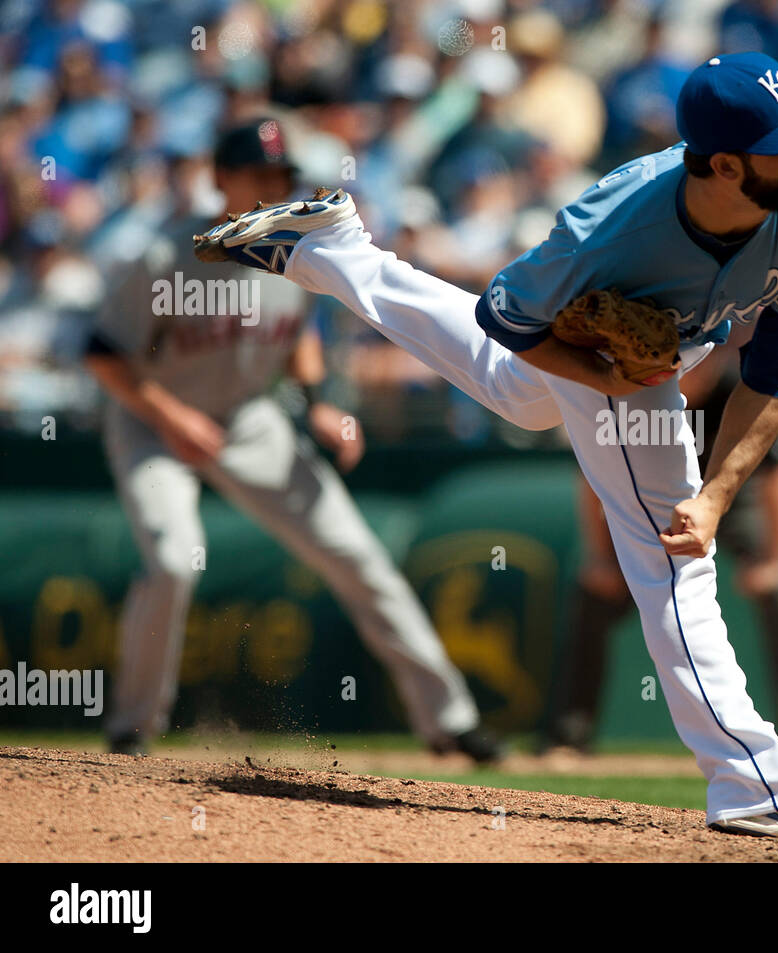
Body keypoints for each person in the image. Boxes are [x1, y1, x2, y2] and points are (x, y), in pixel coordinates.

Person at [195, 54, 778, 845]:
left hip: (673, 347)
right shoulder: (610, 226)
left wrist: (719, 495)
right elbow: (505, 319)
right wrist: (604, 375)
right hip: (612, 364)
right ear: (725, 163)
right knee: (669, 558)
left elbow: (777, 372)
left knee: (516, 397)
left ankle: (330, 250)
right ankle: (758, 779)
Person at [84, 118, 502, 764]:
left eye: (281, 176)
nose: (272, 185)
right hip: (153, 421)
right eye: (258, 174)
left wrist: (319, 403)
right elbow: (105, 356)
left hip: (251, 419)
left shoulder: (293, 250)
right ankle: (133, 727)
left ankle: (451, 720)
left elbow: (298, 336)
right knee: (173, 559)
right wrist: (173, 419)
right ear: (219, 178)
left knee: (358, 555)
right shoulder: (163, 256)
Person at [543, 349, 778, 758]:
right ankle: (567, 736)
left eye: (707, 357)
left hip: (733, 502)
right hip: (652, 504)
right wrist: (601, 558)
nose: (698, 368)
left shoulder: (738, 392)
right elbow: (593, 481)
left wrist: (777, 559)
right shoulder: (628, 392)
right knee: (593, 588)